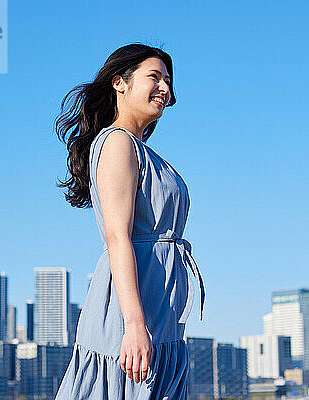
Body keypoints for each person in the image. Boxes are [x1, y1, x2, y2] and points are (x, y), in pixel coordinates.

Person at [54, 43, 205, 399]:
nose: (165, 89)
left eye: (168, 81)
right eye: (155, 77)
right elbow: (117, 238)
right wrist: (134, 325)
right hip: (133, 311)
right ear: (120, 83)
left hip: (161, 310)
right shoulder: (118, 142)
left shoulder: (144, 150)